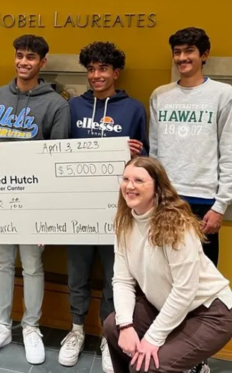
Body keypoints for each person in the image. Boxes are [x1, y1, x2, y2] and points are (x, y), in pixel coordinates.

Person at [0, 34, 70, 365]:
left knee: (32, 265)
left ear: (42, 62)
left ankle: (31, 326)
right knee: (2, 262)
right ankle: (2, 325)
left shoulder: (57, 105)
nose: (23, 62)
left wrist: (49, 210)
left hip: (34, 200)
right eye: (19, 55)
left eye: (31, 57)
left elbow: (56, 160)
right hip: (0, 197)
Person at [60, 41, 148, 372]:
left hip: (119, 213)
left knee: (116, 278)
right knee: (78, 272)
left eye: (103, 69)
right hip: (78, 208)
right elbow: (61, 153)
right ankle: (77, 329)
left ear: (116, 73)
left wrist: (129, 153)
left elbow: (144, 164)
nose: (96, 75)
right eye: (91, 69)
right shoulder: (73, 107)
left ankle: (108, 335)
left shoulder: (134, 109)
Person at [104, 157, 232, 373]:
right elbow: (122, 280)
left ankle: (192, 366)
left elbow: (185, 290)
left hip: (209, 312)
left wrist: (152, 339)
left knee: (146, 367)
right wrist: (126, 325)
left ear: (157, 187)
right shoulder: (124, 222)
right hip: (166, 304)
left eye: (139, 180)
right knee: (114, 327)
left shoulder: (177, 225)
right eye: (126, 179)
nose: (130, 186)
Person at [149, 27, 232, 267]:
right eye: (177, 52)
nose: (182, 58)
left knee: (201, 274)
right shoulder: (161, 95)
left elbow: (230, 153)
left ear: (204, 54)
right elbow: (155, 151)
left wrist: (220, 206)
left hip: (203, 199)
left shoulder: (223, 94)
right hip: (166, 198)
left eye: (189, 51)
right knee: (162, 269)